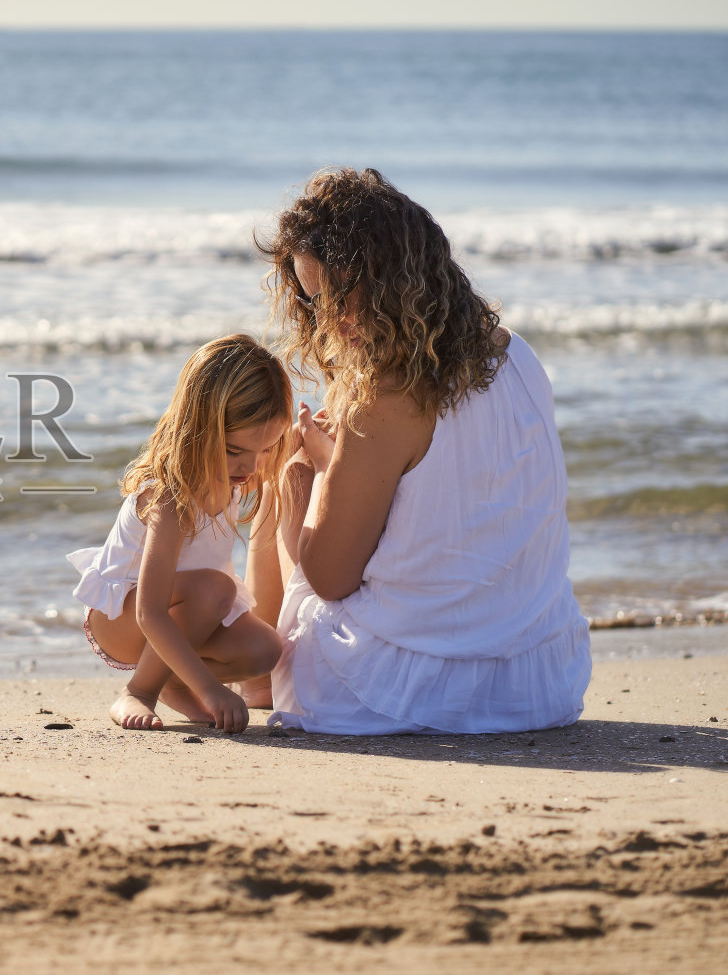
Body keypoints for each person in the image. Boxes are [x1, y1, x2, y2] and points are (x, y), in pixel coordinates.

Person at [251, 167, 591, 734]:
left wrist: (313, 473)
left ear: (388, 279)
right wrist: (347, 458)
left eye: (341, 297)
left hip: (407, 692)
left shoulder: (385, 398)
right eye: (315, 303)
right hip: (540, 681)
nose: (329, 321)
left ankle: (259, 682)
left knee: (285, 476)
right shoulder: (519, 356)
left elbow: (331, 579)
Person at [66, 334, 292, 734]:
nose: (251, 466)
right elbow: (149, 612)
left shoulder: (234, 475)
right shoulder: (170, 498)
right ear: (199, 429)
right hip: (123, 618)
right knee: (215, 588)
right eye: (235, 451)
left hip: (190, 611)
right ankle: (139, 690)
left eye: (266, 449)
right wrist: (210, 690)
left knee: (265, 649)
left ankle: (171, 681)